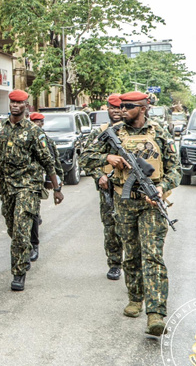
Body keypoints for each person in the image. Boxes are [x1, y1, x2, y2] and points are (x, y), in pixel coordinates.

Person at [84, 91, 180, 336]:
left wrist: (161, 188)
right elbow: (85, 156)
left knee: (153, 255)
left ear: (144, 108)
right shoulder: (113, 132)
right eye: (121, 106)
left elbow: (175, 169)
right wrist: (108, 157)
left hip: (151, 203)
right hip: (124, 202)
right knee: (131, 253)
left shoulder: (159, 132)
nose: (122, 109)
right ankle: (135, 298)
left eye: (128, 106)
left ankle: (156, 312)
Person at [0, 90, 63, 293]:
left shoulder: (34, 131)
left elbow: (48, 161)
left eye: (19, 103)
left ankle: (18, 273)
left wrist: (57, 188)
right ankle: (25, 249)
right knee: (12, 227)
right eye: (12, 102)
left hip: (28, 186)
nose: (15, 106)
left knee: (21, 229)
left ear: (26, 106)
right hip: (7, 186)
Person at [79, 94, 125, 280]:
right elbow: (85, 159)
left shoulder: (134, 132)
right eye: (111, 107)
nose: (115, 111)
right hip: (109, 187)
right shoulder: (102, 132)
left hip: (131, 188)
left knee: (129, 228)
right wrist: (99, 175)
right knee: (110, 227)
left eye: (119, 107)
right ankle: (114, 264)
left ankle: (132, 265)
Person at [27, 112, 64, 263]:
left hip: (36, 180)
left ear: (43, 123)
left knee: (34, 213)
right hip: (19, 182)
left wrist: (57, 185)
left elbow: (53, 162)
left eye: (39, 122)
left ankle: (34, 245)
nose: (37, 124)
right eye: (34, 121)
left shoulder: (46, 140)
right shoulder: (25, 136)